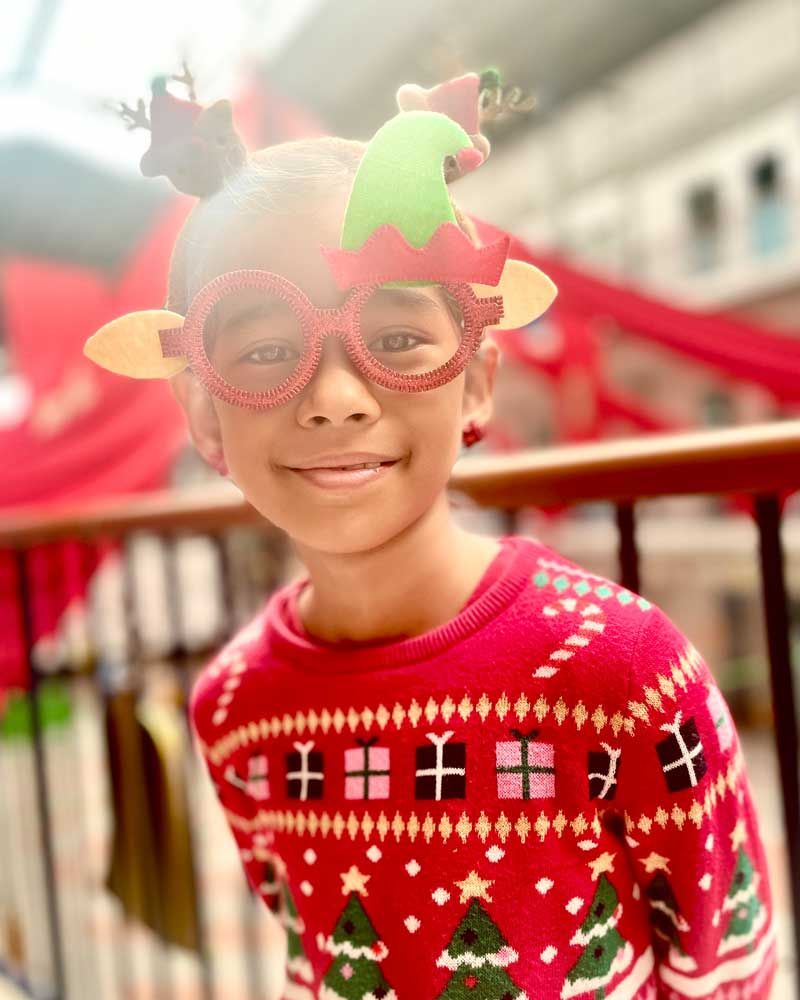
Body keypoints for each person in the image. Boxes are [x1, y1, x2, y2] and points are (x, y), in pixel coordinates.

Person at [85, 70, 777, 1000]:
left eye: (400, 340)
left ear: (478, 380)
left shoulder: (624, 675)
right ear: (206, 415)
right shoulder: (235, 711)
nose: (334, 397)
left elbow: (726, 966)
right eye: (263, 352)